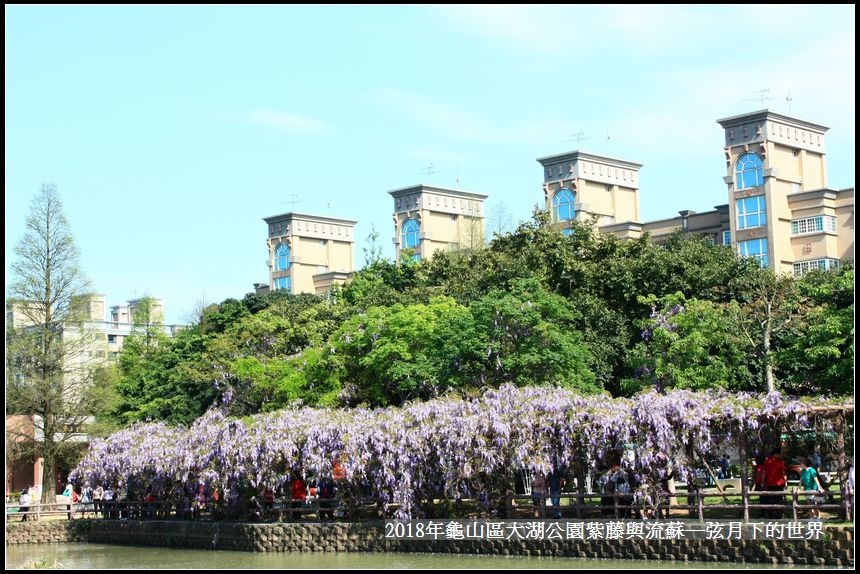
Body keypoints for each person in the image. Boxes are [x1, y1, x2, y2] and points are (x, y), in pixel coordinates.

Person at [761, 448, 787, 519]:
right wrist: (785, 482)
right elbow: (783, 472)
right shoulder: (780, 462)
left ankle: (771, 514)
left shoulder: (767, 462)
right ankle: (778, 514)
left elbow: (764, 472)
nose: (780, 455)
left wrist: (763, 482)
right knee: (779, 499)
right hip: (779, 483)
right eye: (779, 454)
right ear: (776, 454)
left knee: (770, 499)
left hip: (769, 483)